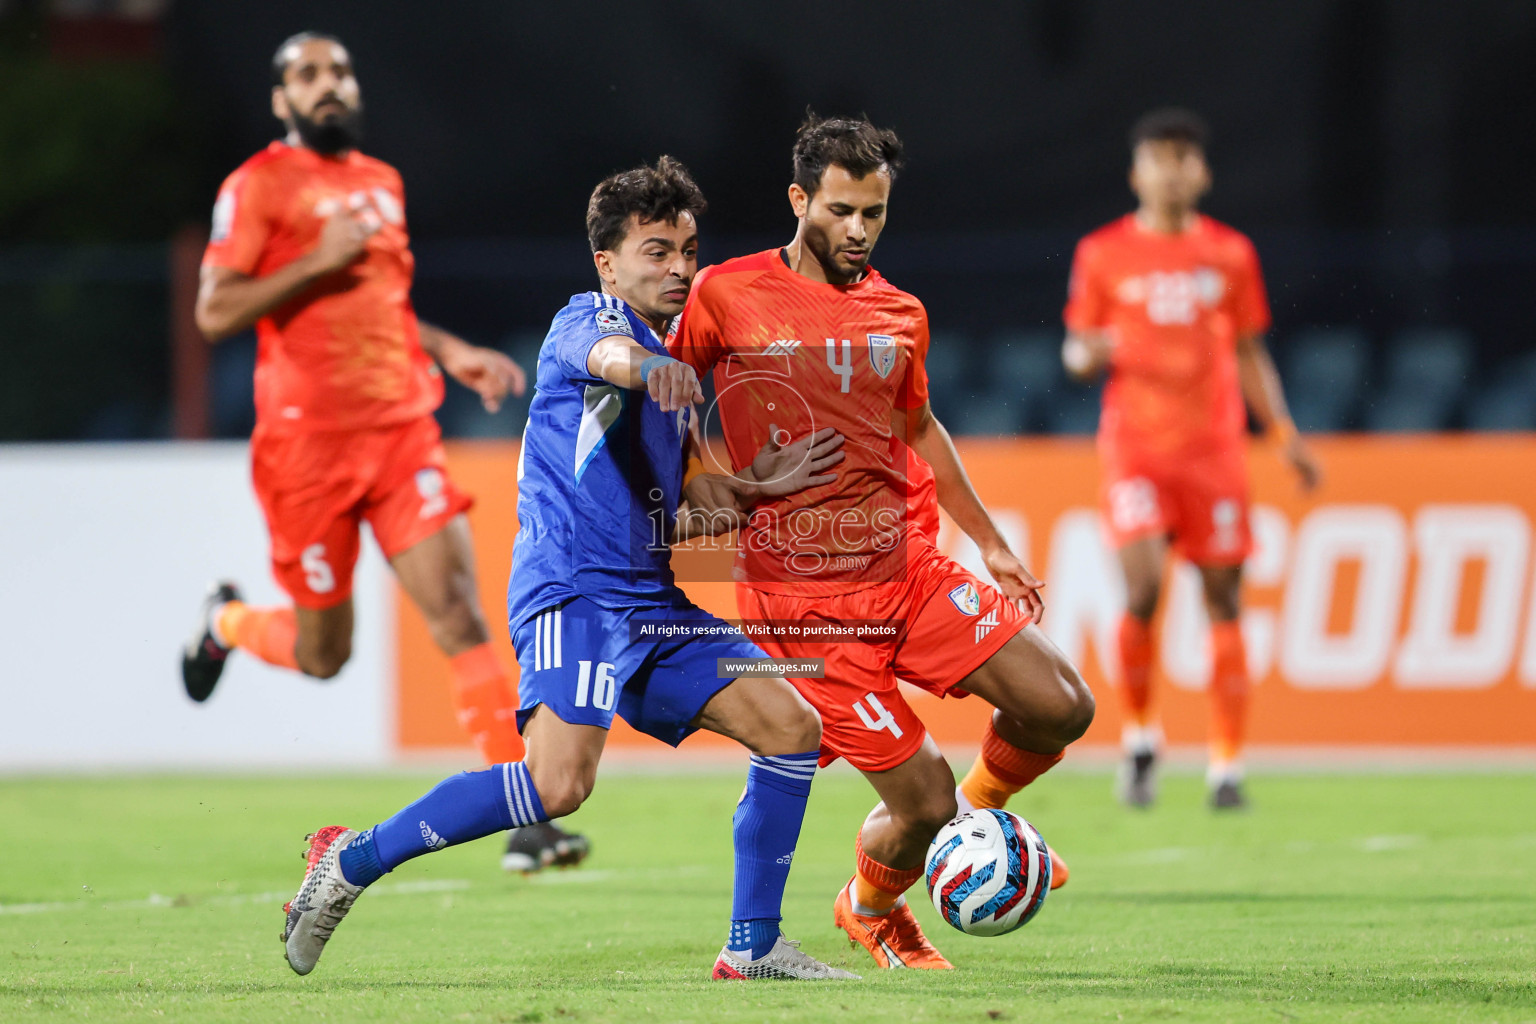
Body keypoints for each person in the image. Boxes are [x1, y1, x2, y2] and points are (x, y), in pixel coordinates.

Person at [281, 156, 858, 982]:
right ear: (609, 262)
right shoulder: (585, 320)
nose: (679, 268)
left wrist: (762, 487)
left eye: (688, 251)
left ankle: (754, 946)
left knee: (792, 727)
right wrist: (650, 368)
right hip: (573, 593)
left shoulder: (675, 380)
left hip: (652, 606)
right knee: (558, 787)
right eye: (657, 251)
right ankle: (348, 862)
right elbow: (610, 359)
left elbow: (696, 516)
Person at [669, 114, 1095, 970]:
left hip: (909, 566)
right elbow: (667, 405)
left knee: (1061, 705)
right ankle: (875, 905)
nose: (858, 230)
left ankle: (965, 828)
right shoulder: (723, 294)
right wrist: (696, 493)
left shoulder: (901, 313)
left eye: (875, 213)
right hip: (806, 606)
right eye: (839, 210)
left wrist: (995, 544)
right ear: (799, 200)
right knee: (923, 806)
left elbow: (921, 425)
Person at [179, 31, 587, 872]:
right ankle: (225, 621)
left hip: (400, 430)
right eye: (306, 76)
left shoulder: (379, 183)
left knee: (459, 611)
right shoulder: (256, 186)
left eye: (338, 72)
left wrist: (447, 350)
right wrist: (314, 263)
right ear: (281, 100)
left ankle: (524, 816)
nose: (327, 85)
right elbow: (215, 312)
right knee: (325, 656)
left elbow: (379, 303)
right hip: (305, 450)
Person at [1061, 107, 1321, 810]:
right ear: (1136, 172)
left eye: (1184, 158)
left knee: (1224, 600)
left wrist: (1286, 435)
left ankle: (1226, 765)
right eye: (1159, 157)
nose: (1172, 170)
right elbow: (1076, 347)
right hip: (1136, 452)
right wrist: (1088, 354)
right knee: (1142, 591)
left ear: (1201, 172)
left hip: (1214, 454)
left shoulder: (1231, 255)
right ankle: (1142, 738)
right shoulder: (1102, 254)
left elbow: (1249, 350)